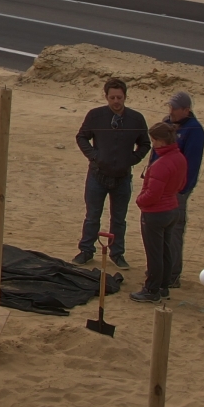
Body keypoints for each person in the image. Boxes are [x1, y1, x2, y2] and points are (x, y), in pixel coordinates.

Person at [75, 78, 149, 268]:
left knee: (119, 219)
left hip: (122, 177)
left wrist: (131, 159)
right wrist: (94, 156)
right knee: (92, 216)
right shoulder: (96, 115)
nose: (116, 101)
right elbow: (82, 137)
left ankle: (117, 253)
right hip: (97, 175)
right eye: (112, 97)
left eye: (119, 97)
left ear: (125, 97)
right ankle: (86, 250)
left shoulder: (136, 118)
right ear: (106, 97)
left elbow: (145, 144)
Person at [132, 122, 189, 302]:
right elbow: (181, 184)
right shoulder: (179, 158)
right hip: (171, 208)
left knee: (155, 252)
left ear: (161, 141)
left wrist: (139, 200)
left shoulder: (161, 164)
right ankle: (163, 286)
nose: (153, 144)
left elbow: (153, 194)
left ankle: (152, 289)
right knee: (165, 250)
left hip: (156, 212)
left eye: (154, 140)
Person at [164, 91, 204, 292]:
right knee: (158, 229)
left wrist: (180, 189)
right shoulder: (168, 123)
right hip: (160, 186)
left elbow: (190, 165)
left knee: (174, 230)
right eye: (170, 107)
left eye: (174, 108)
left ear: (186, 110)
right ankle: (160, 269)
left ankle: (172, 274)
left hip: (178, 190)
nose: (170, 111)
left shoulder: (195, 130)